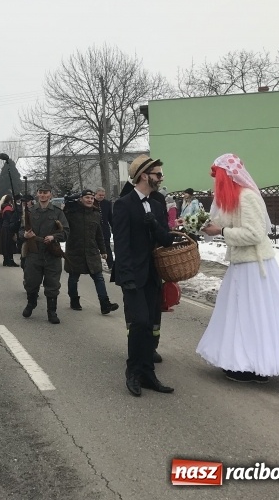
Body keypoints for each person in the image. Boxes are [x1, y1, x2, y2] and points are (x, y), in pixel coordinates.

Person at [197, 154, 279, 382]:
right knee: (241, 316)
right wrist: (201, 225)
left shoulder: (247, 197)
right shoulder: (232, 199)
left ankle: (256, 364)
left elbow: (255, 234)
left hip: (254, 267)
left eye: (217, 177)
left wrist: (221, 232)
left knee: (253, 316)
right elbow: (222, 223)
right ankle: (245, 363)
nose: (215, 183)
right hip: (241, 265)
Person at [112, 155, 176, 397]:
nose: (161, 178)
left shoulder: (157, 205)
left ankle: (148, 374)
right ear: (143, 176)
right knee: (138, 323)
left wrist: (154, 225)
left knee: (149, 324)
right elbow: (121, 243)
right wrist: (126, 276)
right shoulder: (124, 204)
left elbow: (166, 240)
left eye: (160, 174)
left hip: (152, 275)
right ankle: (133, 372)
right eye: (157, 174)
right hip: (132, 275)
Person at [63, 190, 119, 315]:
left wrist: (103, 250)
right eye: (87, 197)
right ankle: (74, 299)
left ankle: (105, 304)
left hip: (91, 251)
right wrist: (68, 205)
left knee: (98, 277)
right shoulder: (72, 213)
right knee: (73, 277)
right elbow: (63, 224)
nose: (89, 200)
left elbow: (99, 234)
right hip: (75, 251)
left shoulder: (95, 214)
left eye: (91, 198)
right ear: (81, 199)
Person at [21, 183, 69, 324]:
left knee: (52, 284)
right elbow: (20, 230)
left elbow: (66, 232)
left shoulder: (57, 212)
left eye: (46, 192)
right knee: (31, 282)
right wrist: (25, 234)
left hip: (51, 253)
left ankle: (51, 311)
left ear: (50, 195)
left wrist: (54, 237)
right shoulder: (30, 211)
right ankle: (31, 303)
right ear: (37, 194)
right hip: (34, 252)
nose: (43, 195)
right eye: (40, 192)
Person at [94, 188, 114, 270]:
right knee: (94, 248)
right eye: (100, 195)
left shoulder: (107, 203)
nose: (101, 197)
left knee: (107, 247)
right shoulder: (91, 202)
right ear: (95, 194)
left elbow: (110, 217)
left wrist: (114, 227)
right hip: (94, 229)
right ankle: (95, 265)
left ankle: (111, 265)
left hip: (105, 229)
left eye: (103, 195)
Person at [0, 195, 19, 267]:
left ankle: (5, 260)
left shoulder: (2, 208)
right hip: (8, 228)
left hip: (4, 227)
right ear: (10, 201)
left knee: (5, 244)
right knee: (10, 244)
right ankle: (10, 261)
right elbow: (11, 219)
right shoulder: (9, 208)